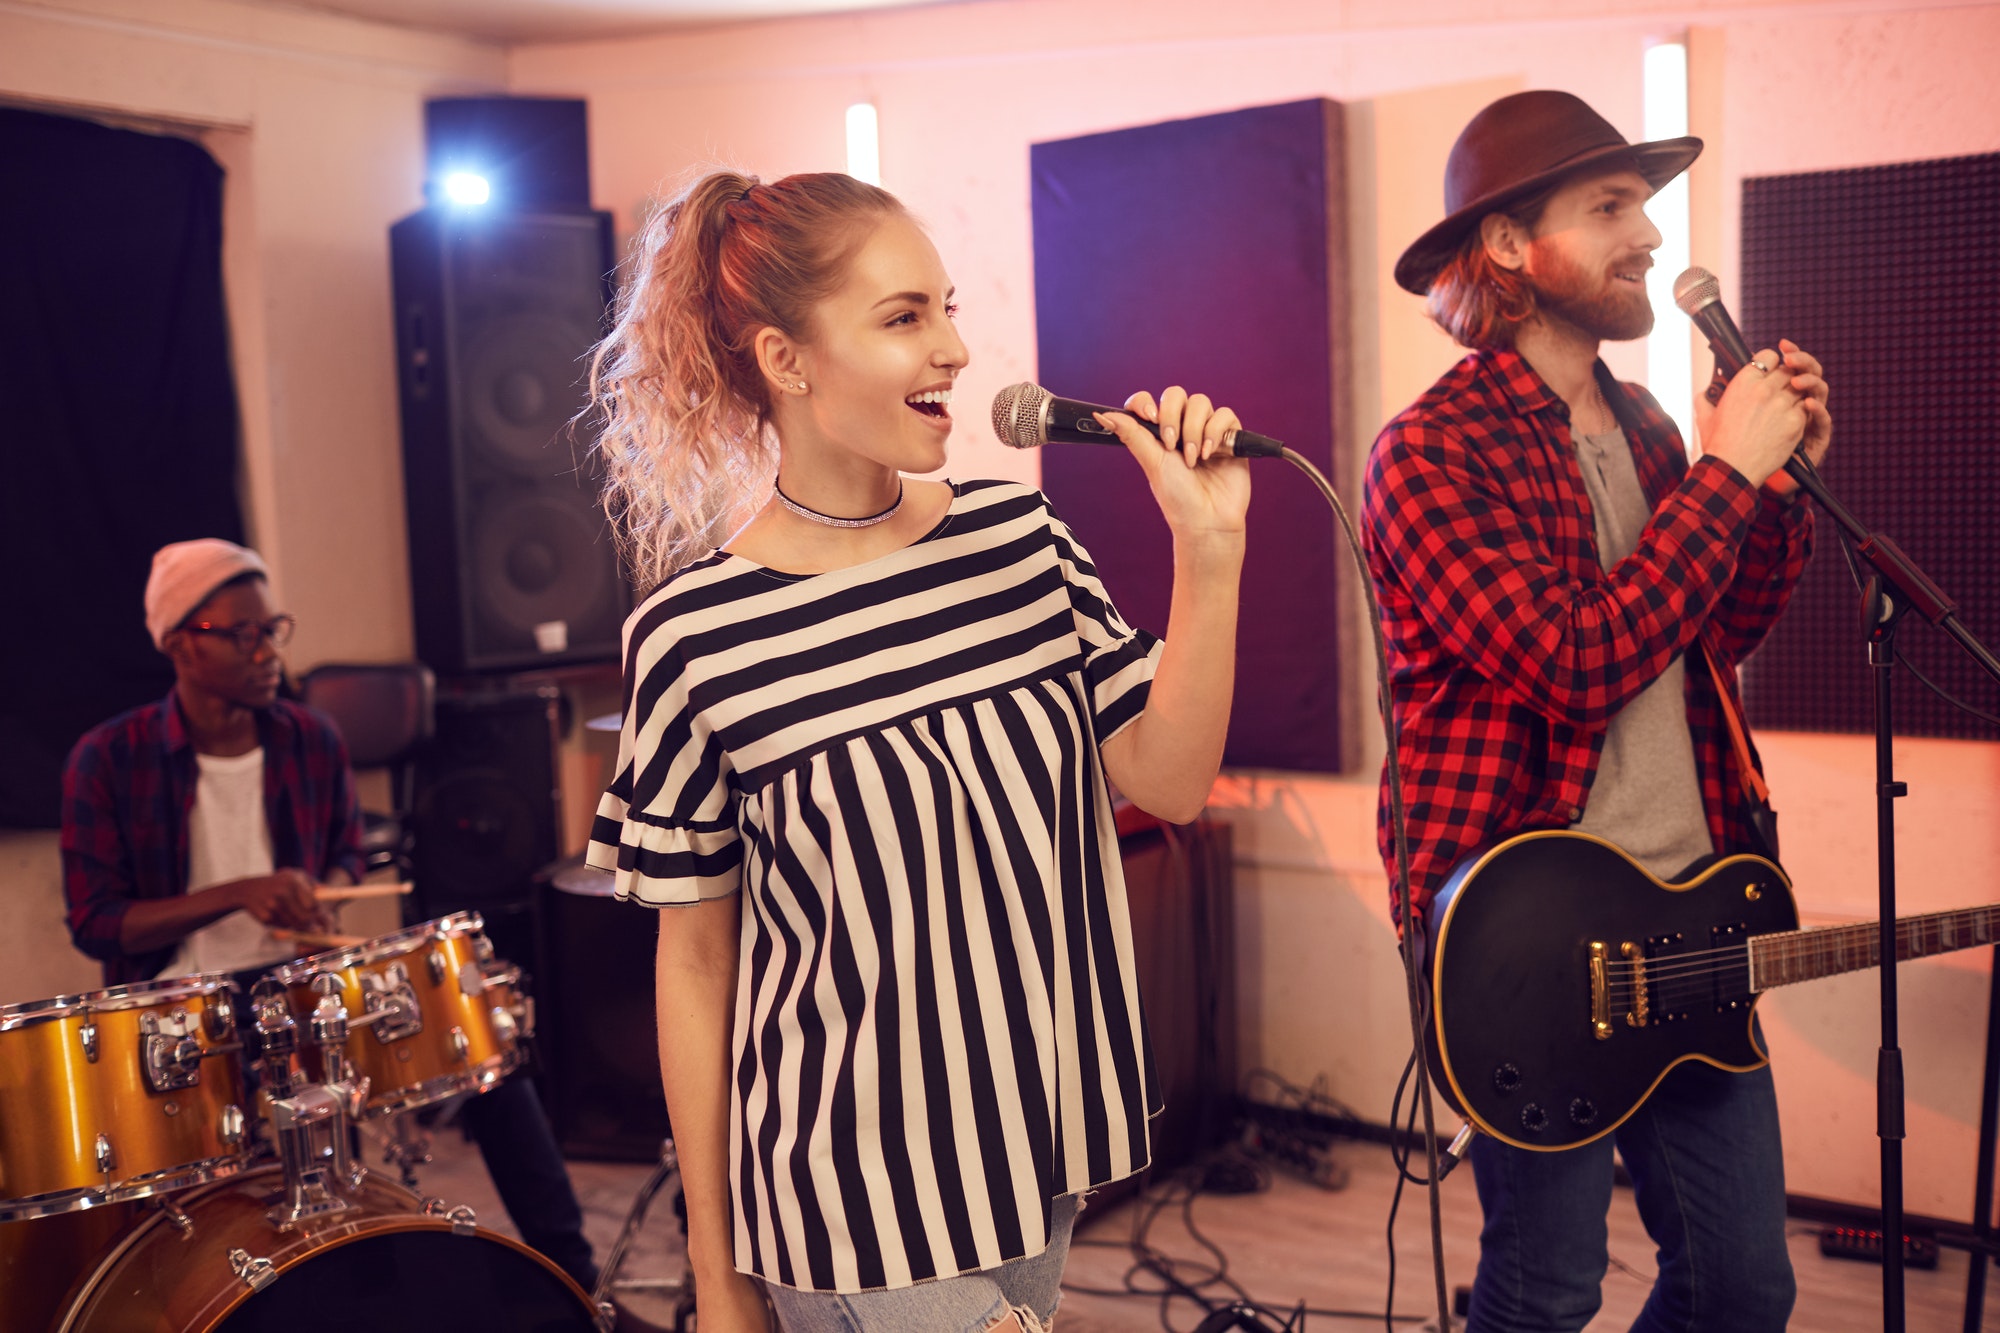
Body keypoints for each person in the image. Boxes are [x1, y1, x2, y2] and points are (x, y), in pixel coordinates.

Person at [583, 170, 1249, 1333]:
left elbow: (1166, 778)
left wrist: (1213, 552)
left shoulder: (1019, 539)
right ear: (786, 361)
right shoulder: (694, 635)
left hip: (1036, 1152)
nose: (952, 349)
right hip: (852, 1188)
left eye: (945, 309)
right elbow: (694, 964)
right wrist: (716, 1266)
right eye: (903, 318)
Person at [1362, 91, 1832, 1332]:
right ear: (1511, 247)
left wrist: (1772, 492)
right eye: (1610, 207)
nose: (1647, 236)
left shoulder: (1645, 423)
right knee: (1545, 1287)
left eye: (1643, 206)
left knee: (1742, 1287)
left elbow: (1709, 639)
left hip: (1688, 901)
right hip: (1522, 928)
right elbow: (1575, 661)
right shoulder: (1426, 453)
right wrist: (1727, 472)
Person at [60, 538, 603, 1298]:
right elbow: (96, 922)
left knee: (485, 1049)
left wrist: (324, 889)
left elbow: (349, 857)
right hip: (180, 1016)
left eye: (271, 628)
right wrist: (238, 890)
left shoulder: (309, 738)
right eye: (241, 633)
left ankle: (578, 1287)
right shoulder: (107, 758)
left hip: (302, 994)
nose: (267, 652)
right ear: (181, 643)